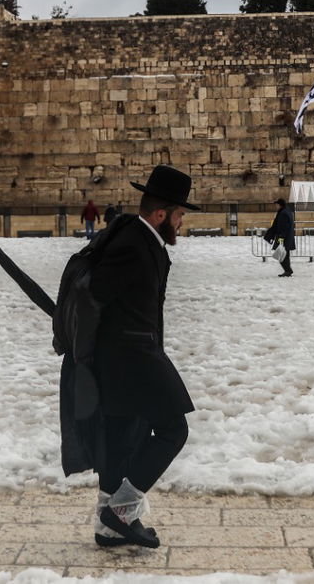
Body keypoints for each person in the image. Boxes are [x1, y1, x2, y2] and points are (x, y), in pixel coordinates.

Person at [86, 165, 199, 549]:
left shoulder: (141, 239)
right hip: (133, 356)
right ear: (161, 214)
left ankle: (107, 529)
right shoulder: (133, 244)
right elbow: (98, 292)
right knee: (173, 430)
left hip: (126, 356)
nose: (182, 222)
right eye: (179, 214)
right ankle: (120, 512)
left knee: (122, 438)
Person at [265, 197, 297, 277]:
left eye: (276, 204)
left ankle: (288, 270)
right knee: (285, 254)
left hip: (283, 238)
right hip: (287, 237)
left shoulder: (283, 213)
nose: (275, 206)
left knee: (281, 254)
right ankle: (288, 270)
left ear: (280, 205)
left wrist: (281, 238)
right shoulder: (286, 211)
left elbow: (283, 227)